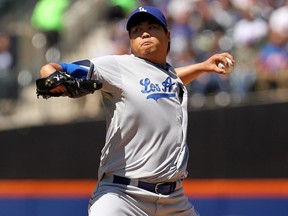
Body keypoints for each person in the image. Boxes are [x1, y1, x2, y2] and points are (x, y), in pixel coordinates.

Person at [39, 6, 234, 216]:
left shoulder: (167, 76)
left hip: (173, 199)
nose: (145, 33)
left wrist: (203, 66)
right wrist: (51, 77)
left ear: (168, 35)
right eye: (137, 31)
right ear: (131, 41)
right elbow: (54, 68)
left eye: (152, 27)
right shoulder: (117, 66)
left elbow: (168, 80)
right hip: (122, 195)